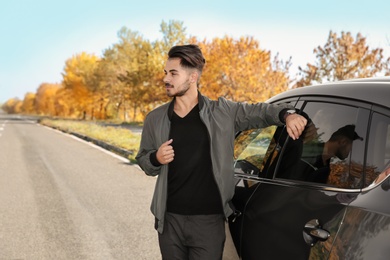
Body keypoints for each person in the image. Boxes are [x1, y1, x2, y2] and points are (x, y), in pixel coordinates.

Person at [135, 44, 307, 259]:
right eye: (165, 73)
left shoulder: (222, 112)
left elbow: (259, 112)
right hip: (170, 222)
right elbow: (143, 160)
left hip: (209, 222)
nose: (166, 79)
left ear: (192, 77)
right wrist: (155, 158)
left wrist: (287, 114)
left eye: (173, 73)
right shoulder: (156, 118)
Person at [297, 124, 363, 183]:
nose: (351, 150)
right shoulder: (306, 153)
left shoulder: (326, 166)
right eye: (352, 146)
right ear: (343, 142)